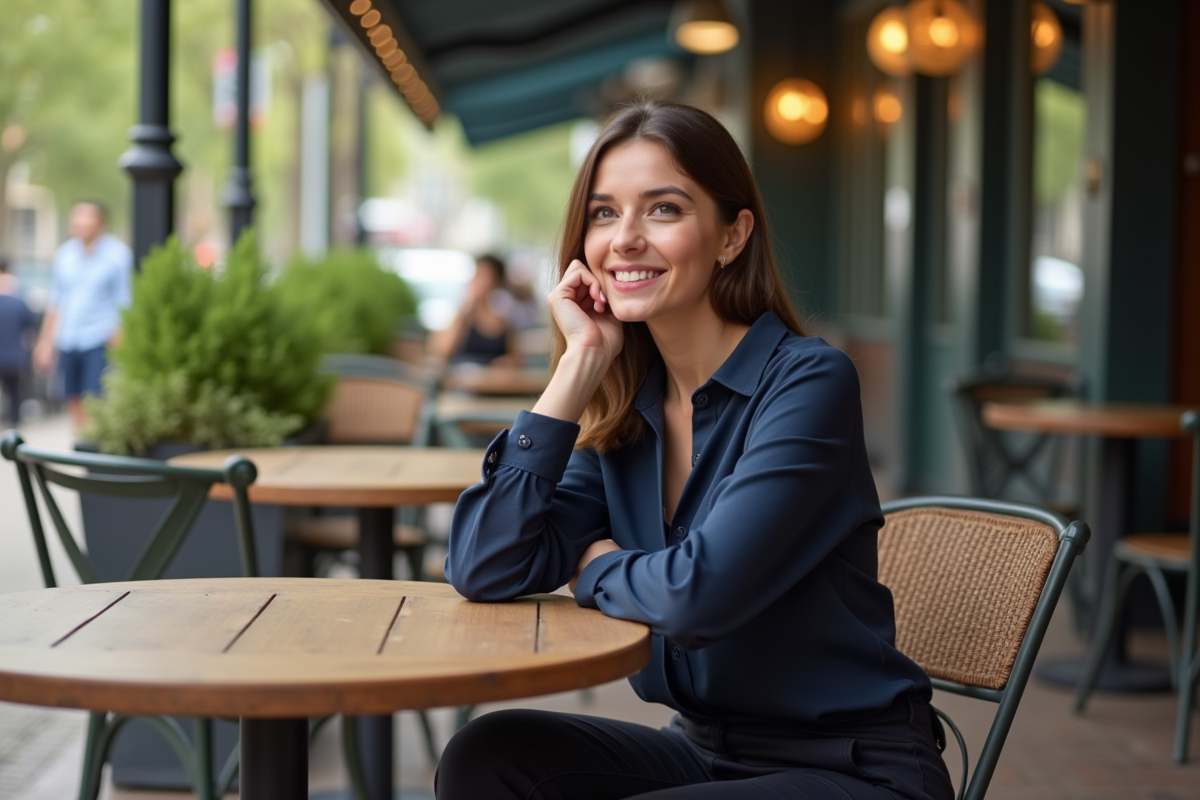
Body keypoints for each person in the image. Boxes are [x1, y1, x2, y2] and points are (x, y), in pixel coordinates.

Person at [438, 100, 954, 800]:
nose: (624, 239)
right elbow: (483, 564)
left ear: (731, 236)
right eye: (603, 213)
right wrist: (575, 370)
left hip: (847, 767)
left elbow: (696, 597)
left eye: (663, 210)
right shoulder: (624, 406)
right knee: (485, 755)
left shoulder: (807, 384)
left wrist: (596, 567)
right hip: (703, 750)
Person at [33, 200, 132, 430]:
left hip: (99, 338)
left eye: (87, 218)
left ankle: (95, 446)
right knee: (72, 395)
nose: (81, 224)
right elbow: (56, 301)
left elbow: (124, 300)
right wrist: (45, 342)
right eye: (77, 219)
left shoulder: (118, 255)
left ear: (101, 223)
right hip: (69, 338)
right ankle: (80, 443)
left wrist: (120, 339)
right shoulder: (65, 255)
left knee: (96, 398)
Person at [430, 254, 519, 366]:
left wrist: (506, 363)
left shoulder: (505, 321)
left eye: (485, 276)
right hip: (460, 380)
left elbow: (515, 359)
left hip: (492, 381)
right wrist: (466, 307)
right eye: (477, 275)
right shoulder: (463, 316)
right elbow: (440, 352)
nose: (479, 282)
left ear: (496, 281)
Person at [0, 252, 36, 427]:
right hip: (14, 352)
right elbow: (29, 325)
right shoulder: (19, 294)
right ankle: (13, 421)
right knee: (13, 390)